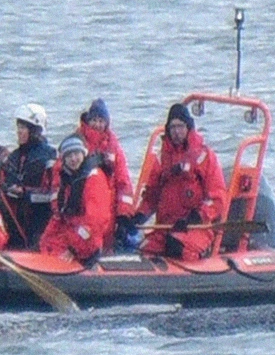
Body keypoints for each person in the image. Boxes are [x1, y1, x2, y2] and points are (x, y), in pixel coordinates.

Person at [132, 103, 228, 261]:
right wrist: (138, 217)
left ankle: (200, 260)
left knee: (177, 246)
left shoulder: (204, 157)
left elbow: (218, 198)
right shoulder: (162, 159)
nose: (176, 132)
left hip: (196, 227)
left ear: (188, 127)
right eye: (173, 127)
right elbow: (151, 197)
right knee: (143, 250)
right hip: (166, 227)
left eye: (180, 126)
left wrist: (195, 217)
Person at [38, 134, 113, 264]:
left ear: (83, 153)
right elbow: (60, 216)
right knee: (47, 245)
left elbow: (95, 222)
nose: (73, 159)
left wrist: (74, 249)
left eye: (76, 154)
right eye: (69, 155)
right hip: (72, 236)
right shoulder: (68, 179)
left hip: (86, 244)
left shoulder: (94, 178)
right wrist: (44, 241)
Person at [75, 98, 137, 251]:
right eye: (94, 120)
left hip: (109, 213)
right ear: (88, 120)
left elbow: (123, 182)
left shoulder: (113, 147)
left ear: (107, 123)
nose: (97, 124)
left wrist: (124, 215)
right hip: (83, 210)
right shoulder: (77, 142)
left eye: (101, 120)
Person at [0, 103, 57, 248]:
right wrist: (5, 187)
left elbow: (52, 193)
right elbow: (4, 180)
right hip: (17, 217)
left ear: (34, 130)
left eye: (23, 128)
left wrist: (25, 192)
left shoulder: (49, 156)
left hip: (40, 217)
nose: (19, 131)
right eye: (18, 127)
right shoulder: (14, 157)